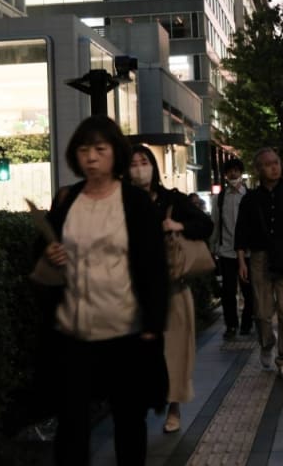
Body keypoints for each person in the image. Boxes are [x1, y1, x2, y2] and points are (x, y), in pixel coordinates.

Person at [40, 115, 168, 466]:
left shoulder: (135, 203)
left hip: (124, 331)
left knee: (129, 421)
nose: (91, 158)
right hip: (73, 331)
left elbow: (154, 268)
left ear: (116, 153)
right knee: (72, 425)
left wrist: (152, 327)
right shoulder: (67, 201)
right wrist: (50, 253)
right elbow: (45, 254)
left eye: (100, 149)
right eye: (84, 150)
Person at [129, 144, 213, 434]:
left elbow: (205, 225)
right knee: (139, 356)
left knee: (175, 353)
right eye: (133, 163)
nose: (139, 167)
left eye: (144, 161)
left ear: (153, 165)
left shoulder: (171, 199)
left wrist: (177, 224)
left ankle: (174, 407)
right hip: (135, 292)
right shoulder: (123, 202)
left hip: (172, 289)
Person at [235, 147, 283, 379]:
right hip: (259, 257)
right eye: (268, 164)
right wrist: (241, 261)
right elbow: (242, 232)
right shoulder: (250, 199)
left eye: (276, 162)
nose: (274, 167)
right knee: (262, 311)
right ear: (258, 169)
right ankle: (267, 343)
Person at [211, 157, 253, 339]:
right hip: (226, 251)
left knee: (249, 292)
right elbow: (215, 224)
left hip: (248, 252)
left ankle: (246, 324)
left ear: (241, 172)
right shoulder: (220, 198)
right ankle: (231, 325)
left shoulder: (249, 195)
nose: (233, 174)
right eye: (230, 171)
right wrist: (213, 248)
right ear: (225, 174)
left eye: (236, 170)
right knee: (228, 292)